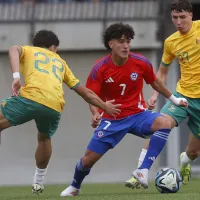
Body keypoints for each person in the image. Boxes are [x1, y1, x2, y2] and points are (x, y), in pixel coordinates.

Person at [59, 22, 188, 196]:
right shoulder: (100, 68)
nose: (126, 45)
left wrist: (174, 99)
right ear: (110, 44)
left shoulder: (140, 62)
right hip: (112, 119)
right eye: (121, 41)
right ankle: (75, 186)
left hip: (138, 115)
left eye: (128, 41)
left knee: (165, 122)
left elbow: (155, 82)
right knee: (88, 160)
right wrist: (96, 113)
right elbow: (91, 95)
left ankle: (142, 171)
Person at [0, 30, 121, 194]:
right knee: (44, 137)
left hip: (30, 98)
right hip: (54, 106)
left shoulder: (30, 50)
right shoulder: (60, 62)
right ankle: (38, 182)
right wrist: (105, 107)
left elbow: (14, 48)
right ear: (52, 47)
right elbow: (85, 93)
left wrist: (16, 76)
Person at [125, 0, 200, 188]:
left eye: (183, 17)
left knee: (193, 152)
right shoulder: (171, 42)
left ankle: (184, 162)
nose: (178, 21)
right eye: (175, 17)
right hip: (183, 96)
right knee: (160, 123)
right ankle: (140, 172)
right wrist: (154, 95)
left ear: (191, 15)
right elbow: (163, 72)